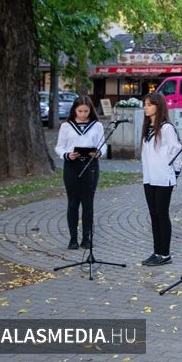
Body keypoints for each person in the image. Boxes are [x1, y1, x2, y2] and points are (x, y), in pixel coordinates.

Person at [54, 95, 104, 249]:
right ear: (74, 110)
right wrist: (66, 155)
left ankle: (86, 239)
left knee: (88, 204)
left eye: (86, 111)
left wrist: (98, 152)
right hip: (72, 166)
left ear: (90, 110)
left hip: (90, 166)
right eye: (80, 111)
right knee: (73, 203)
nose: (83, 114)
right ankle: (73, 239)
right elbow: (59, 147)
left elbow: (103, 144)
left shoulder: (97, 125)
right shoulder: (66, 126)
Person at [140, 92, 182, 266]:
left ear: (159, 106)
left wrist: (175, 173)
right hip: (149, 178)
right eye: (145, 104)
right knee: (154, 215)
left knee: (162, 214)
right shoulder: (147, 128)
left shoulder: (166, 128)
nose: (145, 107)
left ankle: (165, 254)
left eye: (149, 104)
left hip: (164, 178)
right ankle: (157, 251)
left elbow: (176, 151)